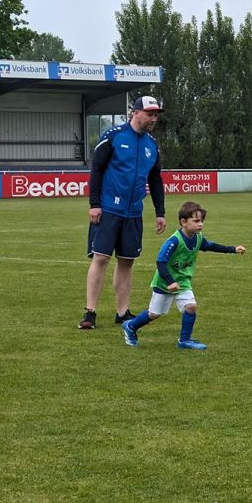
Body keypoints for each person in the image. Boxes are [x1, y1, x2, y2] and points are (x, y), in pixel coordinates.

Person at [79, 95, 167, 329]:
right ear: (135, 113)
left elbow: (155, 180)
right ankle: (90, 312)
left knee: (127, 262)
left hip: (134, 212)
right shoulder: (113, 136)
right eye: (149, 114)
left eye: (156, 115)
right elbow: (97, 169)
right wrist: (94, 204)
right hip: (109, 209)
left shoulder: (151, 145)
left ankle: (122, 312)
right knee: (101, 258)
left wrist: (160, 212)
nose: (153, 119)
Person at [121, 201, 245, 350]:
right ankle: (130, 326)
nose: (201, 224)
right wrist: (170, 282)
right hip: (164, 283)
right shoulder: (174, 241)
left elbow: (211, 246)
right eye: (196, 221)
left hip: (183, 282)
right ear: (183, 222)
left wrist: (233, 249)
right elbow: (161, 262)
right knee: (154, 314)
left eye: (202, 221)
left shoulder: (198, 238)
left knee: (191, 307)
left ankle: (184, 340)